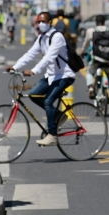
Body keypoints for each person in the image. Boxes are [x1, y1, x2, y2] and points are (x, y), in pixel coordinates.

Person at [6, 11, 75, 146]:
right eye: (39, 21)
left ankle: (52, 135)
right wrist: (15, 67)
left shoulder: (57, 37)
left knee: (48, 101)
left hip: (64, 75)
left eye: (44, 21)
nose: (41, 24)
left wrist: (33, 71)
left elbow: (49, 57)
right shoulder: (41, 38)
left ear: (50, 22)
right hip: (50, 75)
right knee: (33, 95)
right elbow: (30, 54)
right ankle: (59, 115)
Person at [82, 14, 109, 103]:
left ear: (96, 22)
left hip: (96, 59)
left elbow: (86, 44)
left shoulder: (91, 31)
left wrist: (83, 52)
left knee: (90, 72)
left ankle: (90, 88)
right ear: (104, 22)